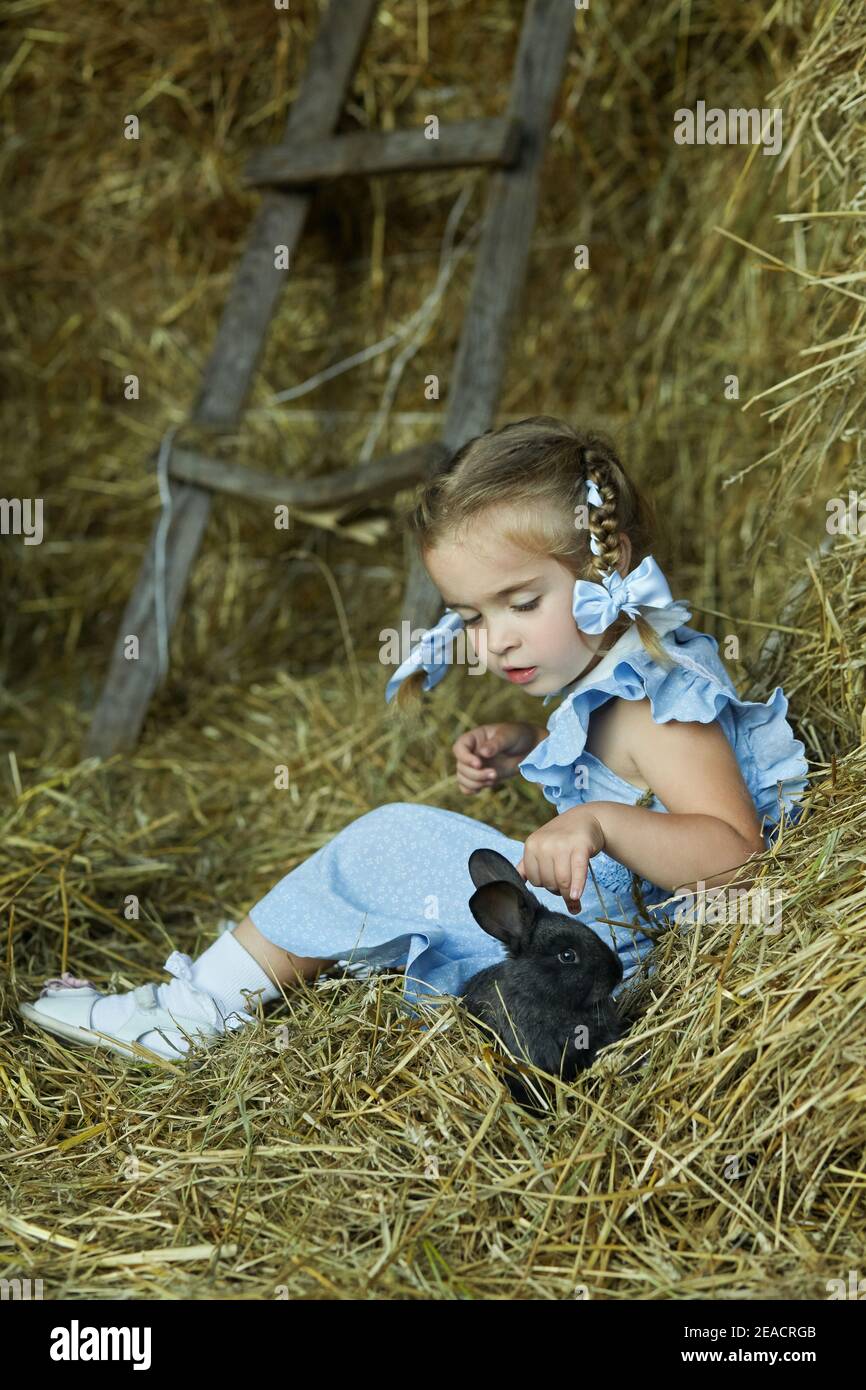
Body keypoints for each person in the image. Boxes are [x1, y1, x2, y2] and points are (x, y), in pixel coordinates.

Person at [19, 417, 809, 1063]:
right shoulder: (619, 686)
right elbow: (631, 774)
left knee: (383, 843)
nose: (493, 641)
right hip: (597, 935)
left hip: (606, 963)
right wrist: (531, 742)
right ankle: (241, 989)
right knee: (411, 878)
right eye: (469, 617)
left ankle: (186, 1016)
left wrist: (596, 824)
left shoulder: (658, 702)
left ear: (610, 567)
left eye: (521, 603)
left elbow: (736, 857)